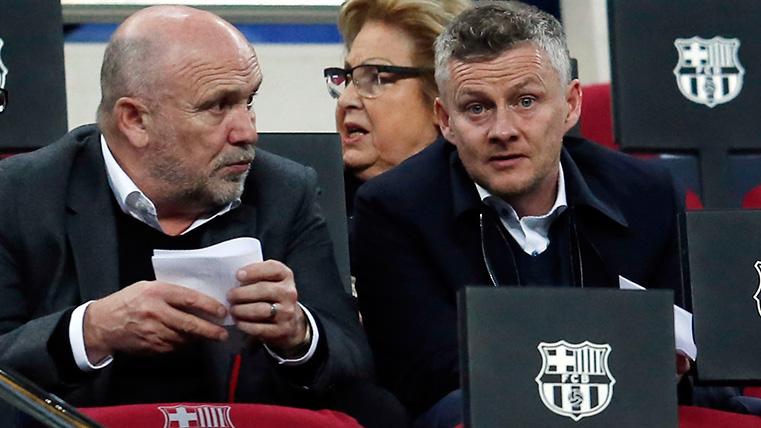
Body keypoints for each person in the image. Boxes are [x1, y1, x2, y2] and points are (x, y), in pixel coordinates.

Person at [0, 6, 406, 427]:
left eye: (248, 101)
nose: (248, 132)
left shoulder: (282, 190)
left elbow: (352, 362)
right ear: (135, 120)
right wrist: (90, 332)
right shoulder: (21, 194)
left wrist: (298, 334)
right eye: (217, 106)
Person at [351, 2, 731, 427]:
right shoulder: (392, 209)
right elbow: (426, 379)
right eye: (477, 108)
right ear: (445, 121)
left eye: (526, 101)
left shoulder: (647, 195)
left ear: (571, 104)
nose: (503, 130)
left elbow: (706, 364)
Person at [324, 0, 470, 216]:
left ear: (441, 96)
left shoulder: (492, 209)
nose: (345, 100)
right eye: (348, 79)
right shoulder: (306, 213)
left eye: (375, 78)